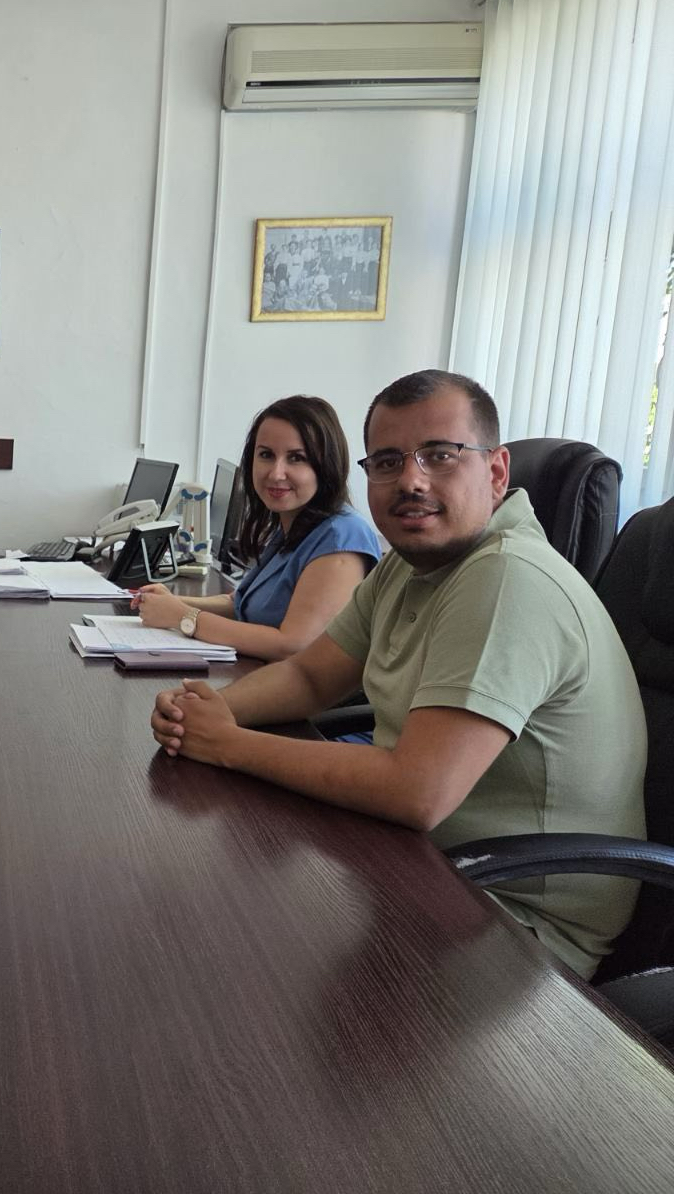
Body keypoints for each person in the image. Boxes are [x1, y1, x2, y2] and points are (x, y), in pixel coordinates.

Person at [150, 369, 646, 978]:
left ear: (496, 473)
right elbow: (310, 678)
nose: (411, 480)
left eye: (441, 455)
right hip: (423, 865)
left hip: (517, 927)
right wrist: (207, 709)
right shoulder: (410, 564)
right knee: (210, 914)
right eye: (387, 461)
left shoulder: (508, 578)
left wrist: (228, 744)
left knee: (225, 955)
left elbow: (416, 790)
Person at [131, 396, 380, 660]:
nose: (276, 473)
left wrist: (184, 617)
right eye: (266, 455)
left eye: (296, 458)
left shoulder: (342, 538)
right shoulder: (294, 525)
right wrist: (172, 602)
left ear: (326, 466)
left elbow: (294, 645)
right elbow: (240, 604)